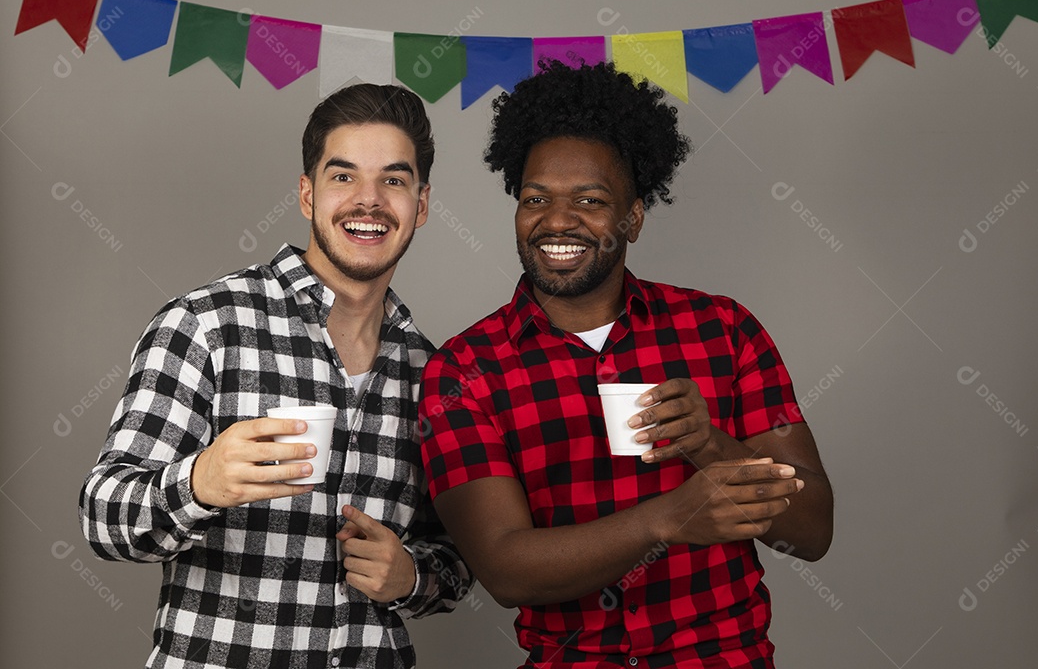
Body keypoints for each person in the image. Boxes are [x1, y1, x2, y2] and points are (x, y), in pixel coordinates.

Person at [419, 61, 833, 668]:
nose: (557, 221)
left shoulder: (723, 330)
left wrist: (709, 443)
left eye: (590, 200)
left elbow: (811, 531)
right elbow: (507, 570)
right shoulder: (464, 371)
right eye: (537, 199)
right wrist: (668, 518)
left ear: (632, 218)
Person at [80, 83, 472, 669]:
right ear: (308, 195)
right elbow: (102, 516)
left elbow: (460, 553)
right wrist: (198, 482)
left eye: (393, 179)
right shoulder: (208, 325)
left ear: (421, 203)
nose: (368, 201)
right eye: (344, 177)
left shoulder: (431, 369)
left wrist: (414, 576)